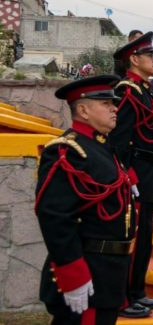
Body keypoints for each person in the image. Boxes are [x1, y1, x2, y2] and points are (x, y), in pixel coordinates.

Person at [35, 75, 136, 325]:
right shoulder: (68, 151)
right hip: (88, 272)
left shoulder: (101, 147)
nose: (115, 109)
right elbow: (56, 217)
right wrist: (72, 273)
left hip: (108, 272)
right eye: (106, 104)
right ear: (83, 110)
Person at [110, 31, 153, 318]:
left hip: (150, 170)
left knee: (146, 234)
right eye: (150, 56)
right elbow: (118, 139)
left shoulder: (144, 90)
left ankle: (138, 291)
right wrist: (128, 175)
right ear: (134, 59)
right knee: (133, 234)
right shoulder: (127, 91)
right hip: (137, 172)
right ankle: (124, 298)